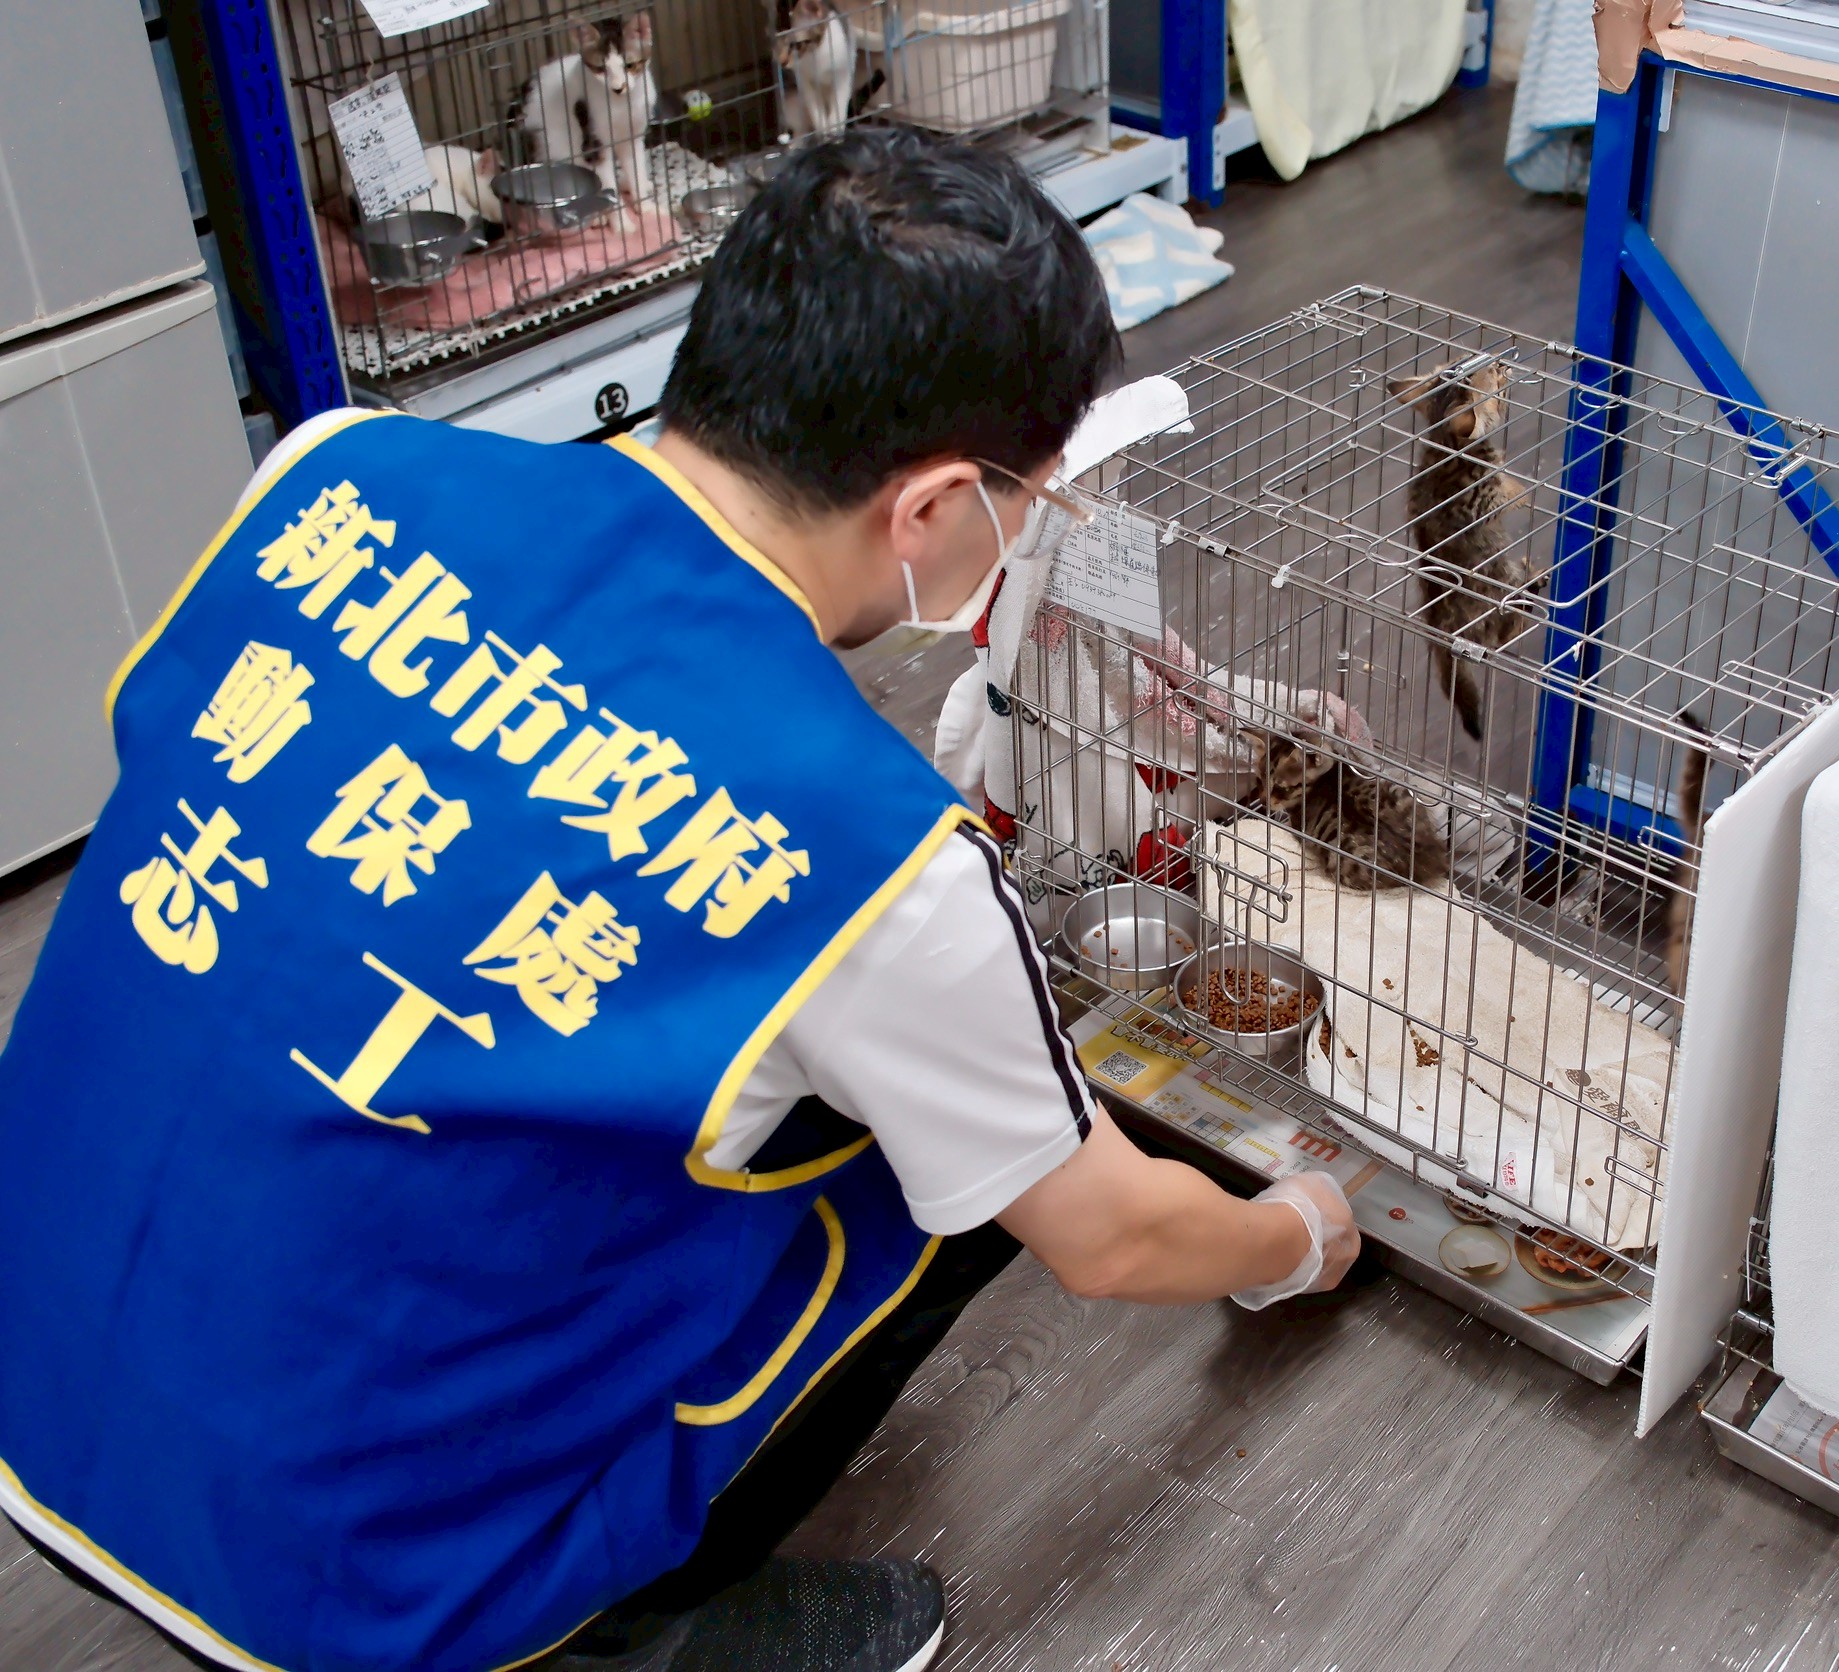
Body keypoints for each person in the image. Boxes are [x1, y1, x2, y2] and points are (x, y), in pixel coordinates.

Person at [0, 128, 1358, 1672]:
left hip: (32, 1355)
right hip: (352, 1594)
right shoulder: (871, 853)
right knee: (956, 1170)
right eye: (1028, 502)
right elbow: (1107, 1239)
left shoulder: (338, 471)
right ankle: (620, 1633)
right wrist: (1296, 1235)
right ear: (928, 508)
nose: (1026, 538)